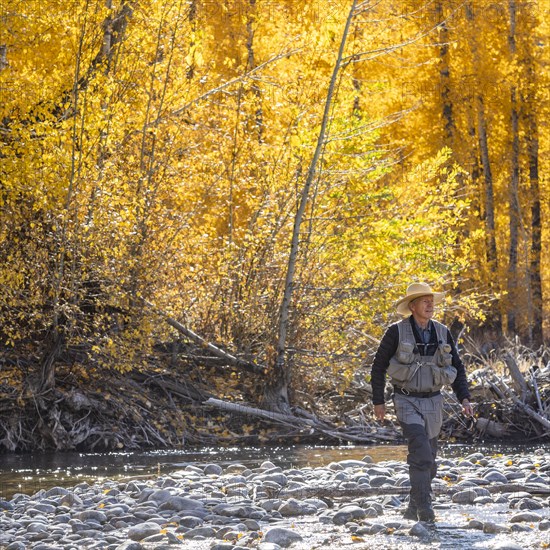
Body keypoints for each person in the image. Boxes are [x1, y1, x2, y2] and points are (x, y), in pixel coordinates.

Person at [371, 282, 473, 522]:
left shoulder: (442, 331)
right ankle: (425, 510)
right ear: (412, 306)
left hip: (434, 402)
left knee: (430, 461)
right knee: (421, 452)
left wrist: (464, 398)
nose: (430, 304)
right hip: (406, 400)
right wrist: (379, 401)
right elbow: (378, 367)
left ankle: (412, 505)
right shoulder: (395, 332)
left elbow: (456, 366)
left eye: (432, 300)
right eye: (424, 300)